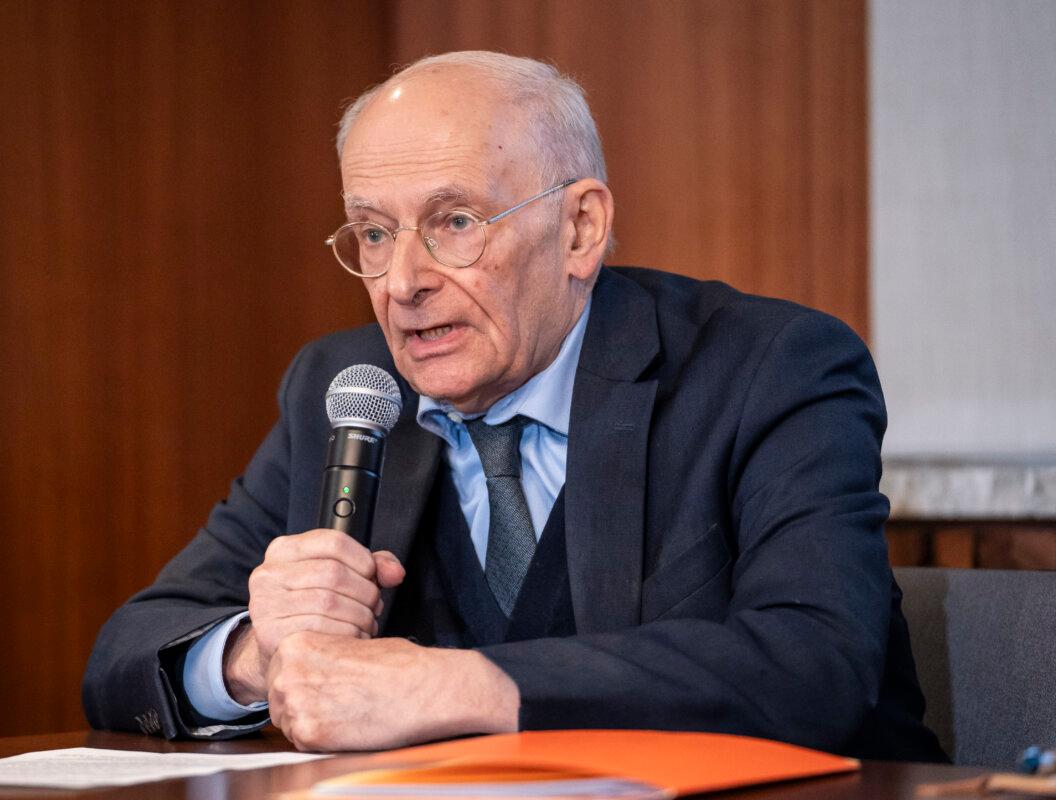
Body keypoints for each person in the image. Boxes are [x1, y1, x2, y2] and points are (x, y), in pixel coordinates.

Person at [82, 51, 945, 760]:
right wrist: (255, 658)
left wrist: (463, 686)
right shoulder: (344, 390)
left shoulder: (770, 368)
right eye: (375, 234)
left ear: (579, 230)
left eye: (455, 221)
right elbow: (127, 651)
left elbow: (815, 666)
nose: (404, 283)